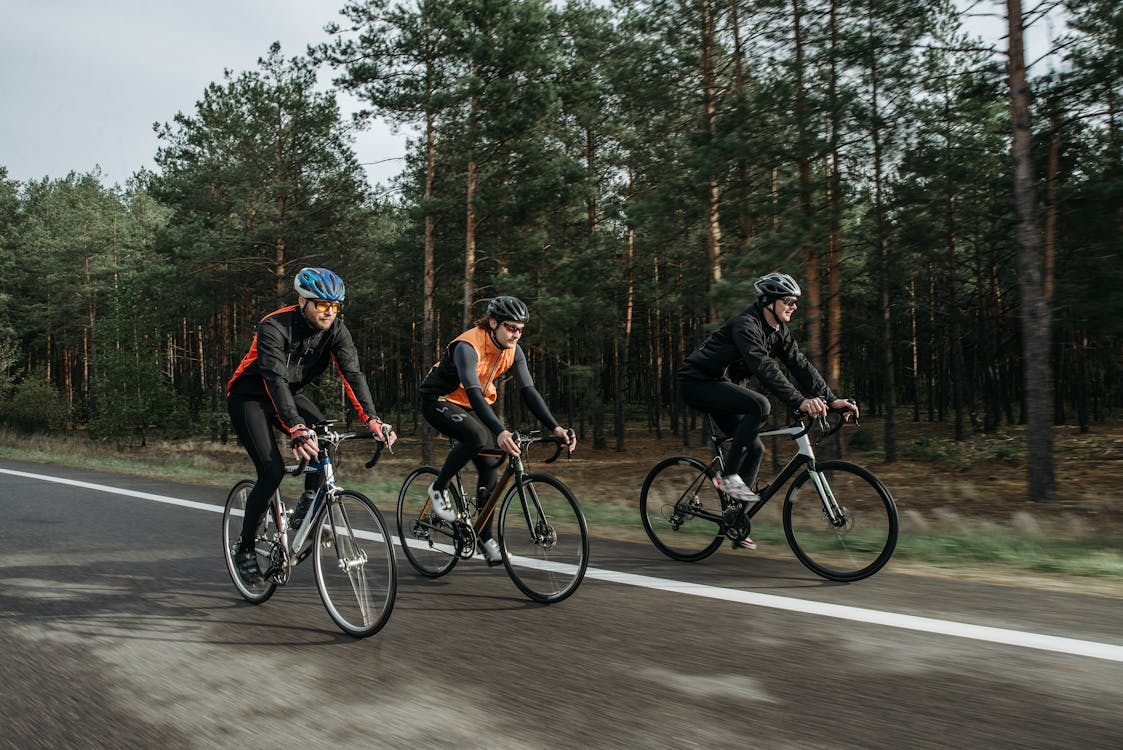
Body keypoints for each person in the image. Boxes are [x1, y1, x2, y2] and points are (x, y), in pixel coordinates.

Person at [226, 267, 395, 582]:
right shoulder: (274, 326)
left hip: (289, 396)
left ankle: (307, 505)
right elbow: (274, 378)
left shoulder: (336, 331)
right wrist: (296, 427)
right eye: (321, 304)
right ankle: (245, 547)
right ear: (302, 300)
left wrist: (373, 420)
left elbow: (353, 375)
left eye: (335, 306)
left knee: (327, 442)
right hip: (249, 398)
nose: (329, 312)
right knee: (272, 470)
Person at [677, 271, 859, 550]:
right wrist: (799, 401)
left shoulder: (778, 332)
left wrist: (831, 400)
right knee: (760, 405)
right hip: (697, 382)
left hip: (722, 385)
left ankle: (735, 519)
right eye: (788, 300)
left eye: (796, 302)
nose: (794, 307)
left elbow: (800, 365)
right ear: (769, 301)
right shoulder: (746, 325)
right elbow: (764, 367)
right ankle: (728, 480)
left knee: (757, 448)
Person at [419, 295, 576, 562]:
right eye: (511, 327)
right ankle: (438, 488)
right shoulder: (468, 345)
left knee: (491, 459)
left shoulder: (513, 350)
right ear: (493, 323)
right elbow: (474, 391)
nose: (516, 334)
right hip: (440, 400)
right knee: (479, 436)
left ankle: (483, 535)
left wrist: (556, 427)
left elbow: (529, 391)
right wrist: (500, 430)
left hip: (470, 404)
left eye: (521, 329)